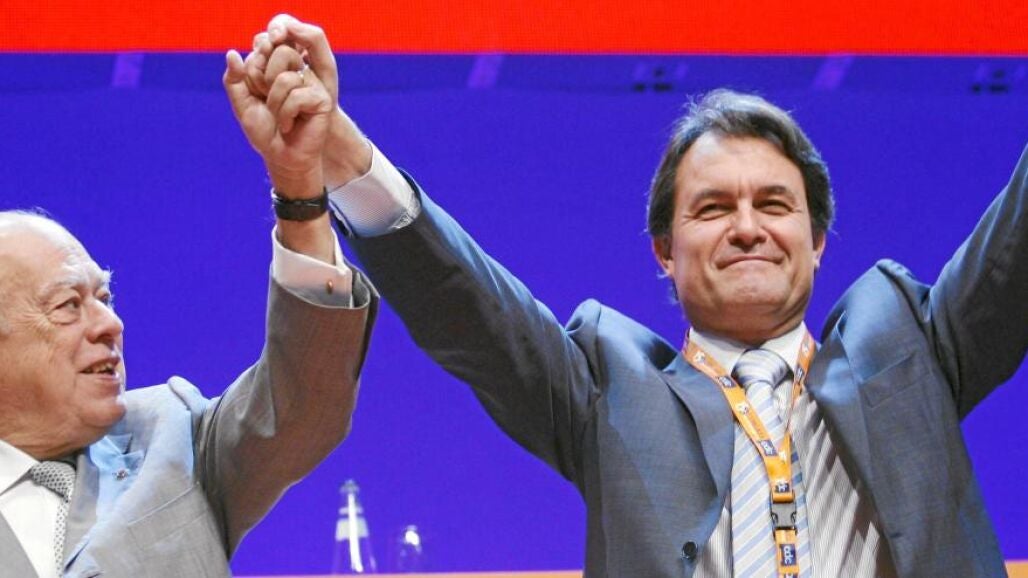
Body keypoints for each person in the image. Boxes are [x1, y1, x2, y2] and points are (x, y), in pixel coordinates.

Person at [251, 15, 1026, 578]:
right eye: (713, 208)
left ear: (818, 239)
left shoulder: (912, 350)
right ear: (665, 251)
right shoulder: (609, 393)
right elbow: (468, 305)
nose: (747, 228)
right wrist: (336, 151)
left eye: (774, 205)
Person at [0, 40, 377, 578]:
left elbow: (302, 402)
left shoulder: (170, 437)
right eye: (68, 305)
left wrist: (299, 193)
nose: (110, 324)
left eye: (104, 298)